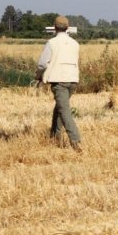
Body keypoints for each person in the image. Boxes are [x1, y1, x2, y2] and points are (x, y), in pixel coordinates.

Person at [36, 15, 82, 152]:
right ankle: (54, 136)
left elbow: (43, 64)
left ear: (55, 27)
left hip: (59, 80)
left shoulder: (52, 43)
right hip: (73, 79)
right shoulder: (75, 43)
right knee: (60, 108)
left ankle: (76, 141)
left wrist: (38, 76)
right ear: (67, 28)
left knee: (64, 111)